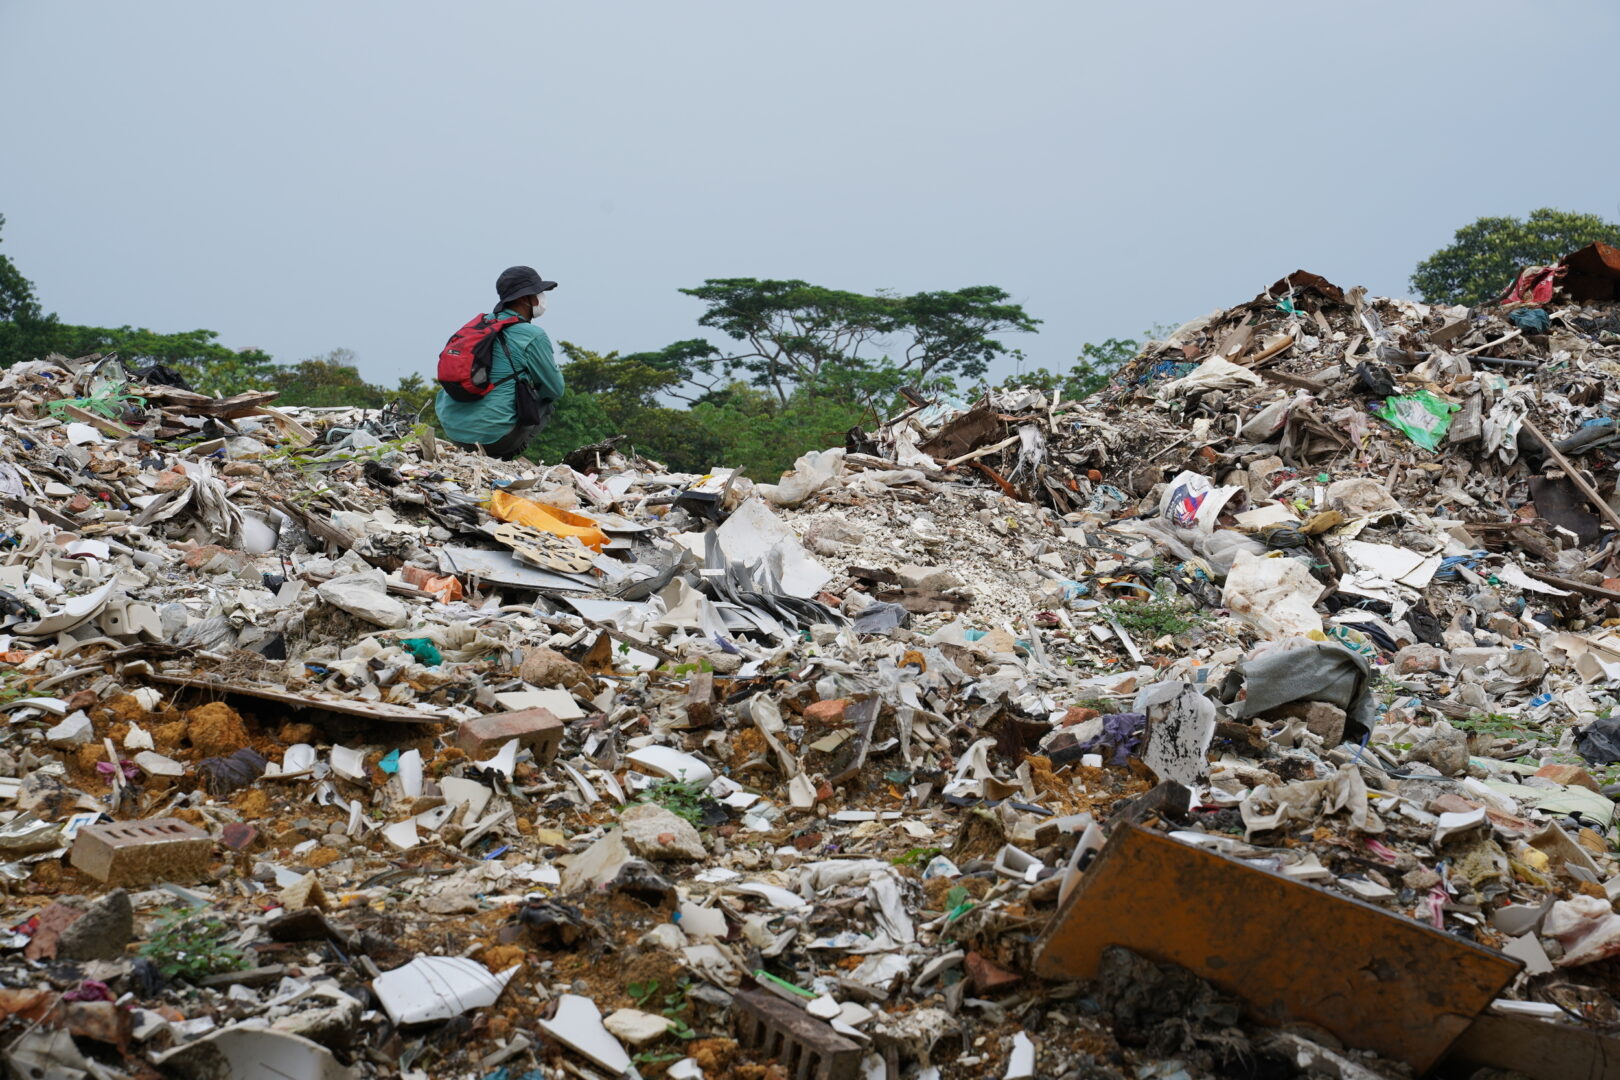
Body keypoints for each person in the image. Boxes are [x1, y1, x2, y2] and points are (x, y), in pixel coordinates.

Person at [435, 266, 564, 460]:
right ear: (523, 298)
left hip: (454, 432)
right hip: (494, 439)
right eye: (539, 293)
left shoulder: (478, 326)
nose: (542, 298)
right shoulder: (532, 335)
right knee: (546, 400)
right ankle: (504, 459)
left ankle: (474, 449)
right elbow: (555, 389)